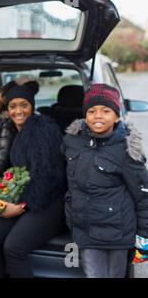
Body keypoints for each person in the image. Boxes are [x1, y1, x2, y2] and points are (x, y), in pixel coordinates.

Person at [0, 80, 67, 278]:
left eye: (24, 105)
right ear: (7, 109)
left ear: (32, 106)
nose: (18, 111)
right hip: (24, 197)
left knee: (14, 247)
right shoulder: (13, 131)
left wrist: (20, 207)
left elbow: (48, 176)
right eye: (13, 106)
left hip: (50, 201)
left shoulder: (43, 129)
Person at [62, 83, 148, 278]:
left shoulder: (126, 149)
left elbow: (143, 195)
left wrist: (144, 235)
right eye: (91, 111)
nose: (98, 116)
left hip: (116, 234)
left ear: (116, 116)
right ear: (85, 115)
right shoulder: (72, 141)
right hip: (85, 230)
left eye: (106, 110)